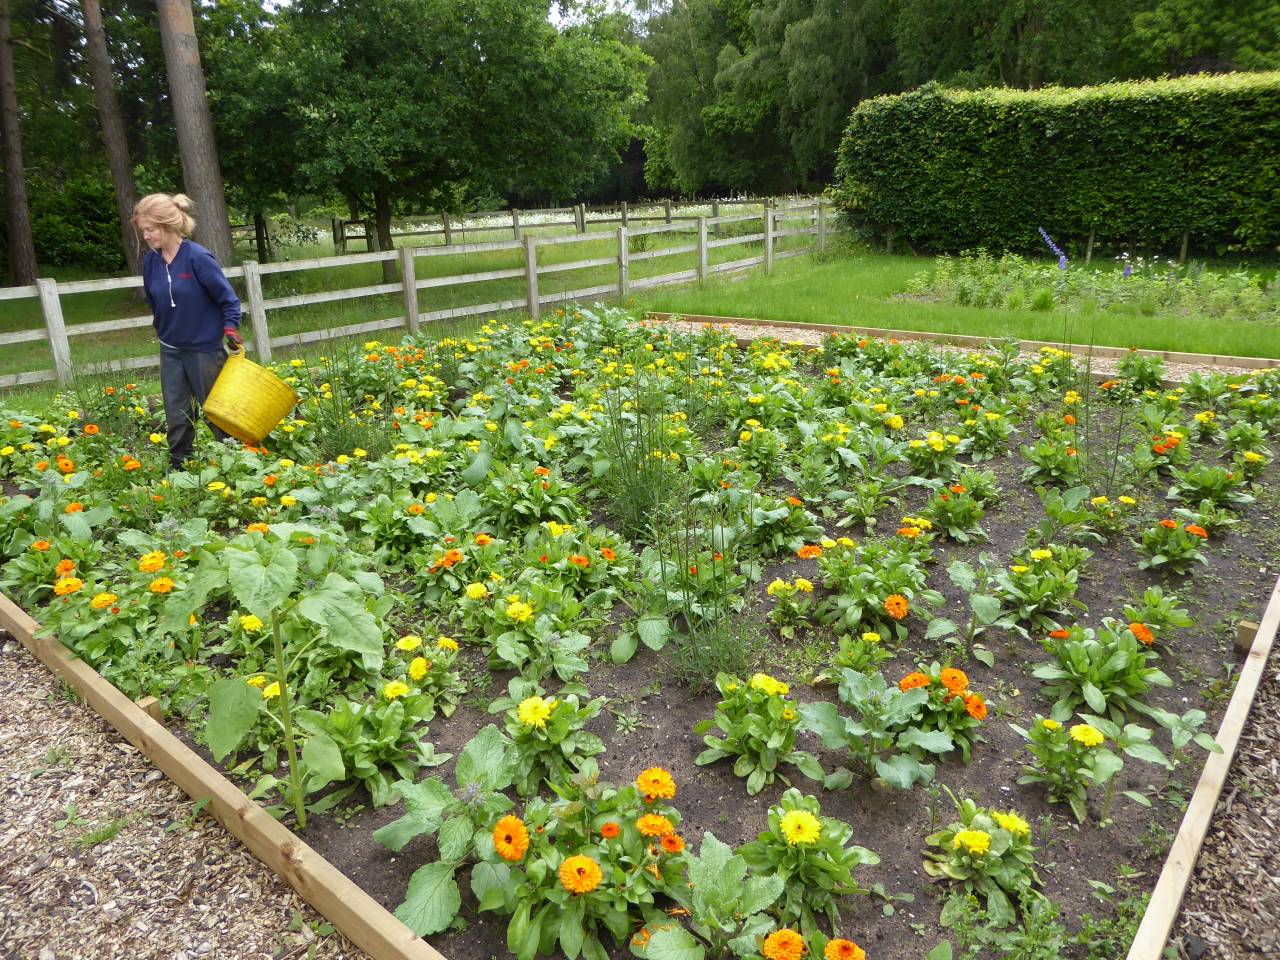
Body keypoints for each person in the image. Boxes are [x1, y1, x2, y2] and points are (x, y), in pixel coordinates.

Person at [132, 193, 244, 471]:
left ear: (168, 225)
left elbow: (228, 300)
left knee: (216, 411)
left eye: (150, 230)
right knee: (176, 412)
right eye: (142, 231)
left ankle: (237, 463)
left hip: (203, 350)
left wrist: (230, 327)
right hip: (170, 349)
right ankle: (179, 465)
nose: (145, 236)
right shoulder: (151, 262)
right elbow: (153, 299)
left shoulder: (198, 258)